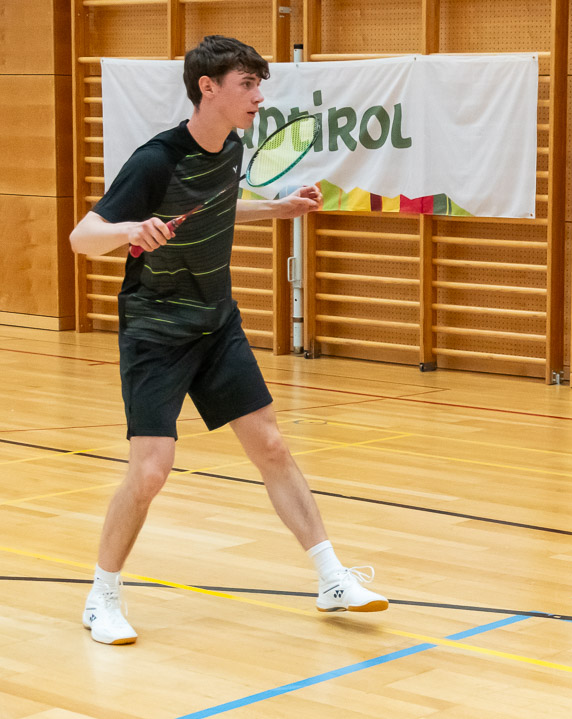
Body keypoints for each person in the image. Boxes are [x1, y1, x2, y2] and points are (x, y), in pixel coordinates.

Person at [69, 36, 387, 646]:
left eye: (259, 84)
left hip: (217, 323)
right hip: (157, 331)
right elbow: (82, 238)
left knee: (270, 445)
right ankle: (101, 597)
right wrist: (132, 228)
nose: (259, 97)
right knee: (151, 472)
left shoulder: (232, 146)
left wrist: (278, 209)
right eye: (247, 85)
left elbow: (217, 208)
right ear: (207, 88)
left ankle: (331, 577)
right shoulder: (156, 160)